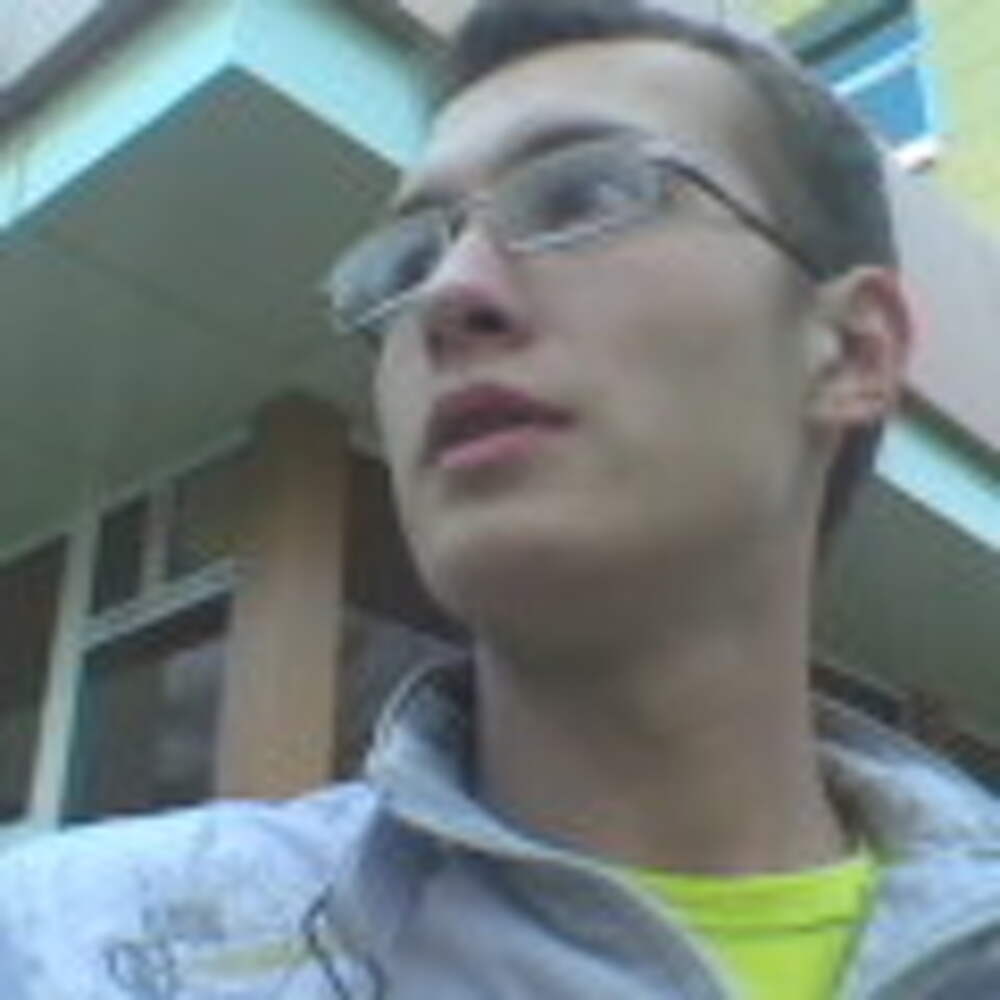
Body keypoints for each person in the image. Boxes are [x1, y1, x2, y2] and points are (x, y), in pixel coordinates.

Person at [3, 2, 1000, 997]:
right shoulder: (72, 947)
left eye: (583, 195)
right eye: (407, 261)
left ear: (853, 351)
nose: (448, 293)